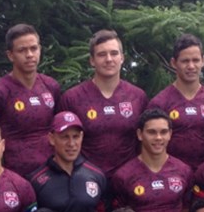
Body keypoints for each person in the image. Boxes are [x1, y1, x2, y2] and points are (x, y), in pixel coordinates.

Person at [60, 29, 148, 179]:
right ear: (92, 60)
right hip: (85, 180)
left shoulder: (138, 97)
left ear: (122, 58)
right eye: (102, 54)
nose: (109, 59)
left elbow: (146, 141)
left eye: (114, 53)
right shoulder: (72, 98)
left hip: (130, 180)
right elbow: (60, 143)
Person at [111, 108, 192, 212]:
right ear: (140, 135)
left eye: (163, 132)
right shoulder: (124, 175)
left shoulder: (183, 171)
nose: (158, 138)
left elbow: (185, 210)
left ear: (170, 134)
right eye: (152, 132)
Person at [0, 24, 60, 177]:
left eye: (34, 48)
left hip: (52, 175)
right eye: (22, 50)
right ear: (10, 55)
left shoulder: (51, 86)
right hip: (14, 178)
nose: (29, 55)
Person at [29, 111, 108, 212]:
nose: (71, 143)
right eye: (65, 137)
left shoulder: (96, 175)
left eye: (76, 136)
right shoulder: (35, 180)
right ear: (51, 138)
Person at [147, 34, 204, 169]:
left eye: (195, 60)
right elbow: (150, 145)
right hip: (170, 176)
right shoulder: (159, 103)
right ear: (174, 63)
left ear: (203, 61)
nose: (191, 66)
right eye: (185, 61)